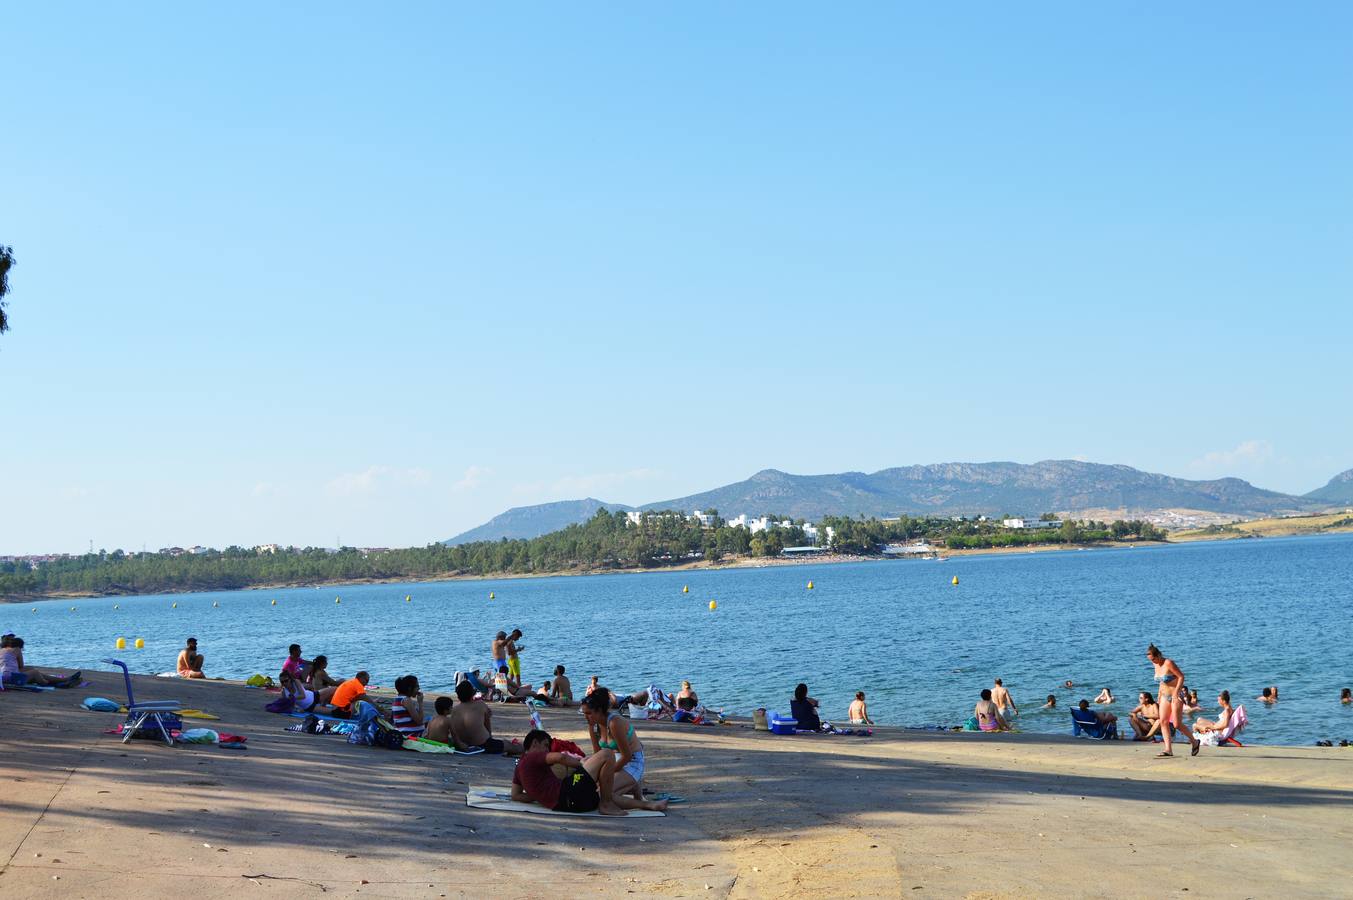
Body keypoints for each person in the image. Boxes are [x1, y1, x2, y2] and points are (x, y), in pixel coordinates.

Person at [511, 729, 668, 816]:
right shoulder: (533, 756)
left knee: (604, 793)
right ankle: (606, 805)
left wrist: (540, 796)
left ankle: (648, 805)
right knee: (606, 754)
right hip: (568, 793)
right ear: (535, 743)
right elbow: (560, 757)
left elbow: (515, 795)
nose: (546, 750)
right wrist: (581, 763)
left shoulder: (519, 767)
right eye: (545, 745)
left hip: (571, 804)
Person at [583, 688, 647, 800]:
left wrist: (604, 776)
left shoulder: (614, 723)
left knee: (602, 796)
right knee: (587, 786)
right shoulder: (592, 726)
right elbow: (598, 755)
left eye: (589, 713)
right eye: (584, 713)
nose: (585, 717)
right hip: (613, 760)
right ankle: (631, 786)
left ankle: (645, 802)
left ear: (599, 711)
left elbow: (626, 756)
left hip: (632, 761)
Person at [1147, 643, 1200, 758]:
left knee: (1176, 724)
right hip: (1164, 696)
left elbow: (1181, 677)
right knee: (1163, 722)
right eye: (1151, 660)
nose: (1153, 662)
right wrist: (1159, 694)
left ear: (1159, 655)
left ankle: (1194, 742)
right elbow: (1162, 681)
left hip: (1176, 696)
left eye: (1154, 659)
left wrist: (1176, 692)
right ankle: (1168, 749)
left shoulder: (1169, 663)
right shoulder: (1155, 664)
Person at [450, 680, 522, 755]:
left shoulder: (454, 710)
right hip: (482, 745)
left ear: (458, 696)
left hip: (463, 745)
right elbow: (487, 724)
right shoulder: (480, 705)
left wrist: (459, 743)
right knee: (508, 744)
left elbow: (453, 730)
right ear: (472, 693)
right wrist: (490, 736)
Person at [1, 636, 79, 688]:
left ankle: (64, 679)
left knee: (30, 669)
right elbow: (21, 665)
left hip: (2, 678)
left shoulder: (1, 650)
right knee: (35, 672)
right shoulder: (17, 649)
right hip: (12, 678)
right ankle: (56, 682)